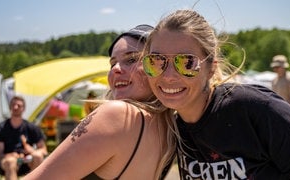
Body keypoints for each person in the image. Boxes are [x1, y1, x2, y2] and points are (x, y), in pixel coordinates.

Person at [142, 9, 290, 179]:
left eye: (186, 62)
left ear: (211, 67)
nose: (168, 76)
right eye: (156, 61)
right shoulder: (172, 129)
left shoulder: (250, 107)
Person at [24, 24, 176, 180]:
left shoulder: (118, 115)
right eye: (112, 63)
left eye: (131, 59)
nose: (116, 68)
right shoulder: (169, 128)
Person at [0, 95, 48, 180]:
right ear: (10, 107)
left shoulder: (31, 128)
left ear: (23, 109)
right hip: (8, 162)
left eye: (19, 105)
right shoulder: (0, 128)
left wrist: (31, 151)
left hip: (28, 161)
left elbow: (44, 150)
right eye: (13, 105)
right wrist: (11, 155)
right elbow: (0, 155)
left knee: (38, 156)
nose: (15, 107)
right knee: (10, 162)